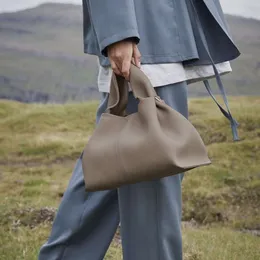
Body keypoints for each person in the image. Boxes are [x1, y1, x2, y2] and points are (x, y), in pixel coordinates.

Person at [38, 0, 240, 259]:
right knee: (150, 204)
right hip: (145, 39)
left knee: (108, 176)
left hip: (158, 31)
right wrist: (118, 30)